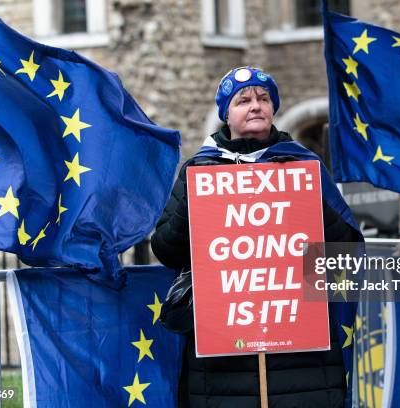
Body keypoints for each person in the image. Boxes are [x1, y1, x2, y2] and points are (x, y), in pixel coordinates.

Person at [151, 66, 363, 408]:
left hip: (301, 357)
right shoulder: (198, 170)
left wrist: (308, 198)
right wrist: (194, 197)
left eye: (264, 99)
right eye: (243, 100)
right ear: (227, 114)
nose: (255, 105)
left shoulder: (304, 165)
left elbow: (348, 248)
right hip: (221, 362)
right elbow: (166, 250)